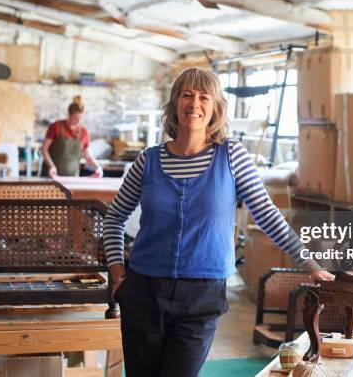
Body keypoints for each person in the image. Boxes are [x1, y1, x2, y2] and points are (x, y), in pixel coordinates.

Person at [104, 68, 334, 377]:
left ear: (215, 107)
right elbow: (114, 217)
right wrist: (117, 274)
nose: (194, 103)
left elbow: (267, 214)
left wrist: (310, 263)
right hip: (144, 290)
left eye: (203, 97)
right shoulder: (148, 160)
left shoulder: (232, 156)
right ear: (174, 104)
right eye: (186, 95)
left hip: (201, 296)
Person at [41, 95, 103, 178]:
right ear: (69, 115)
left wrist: (98, 167)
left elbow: (88, 156)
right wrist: (51, 166)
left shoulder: (84, 132)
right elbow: (44, 149)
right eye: (75, 118)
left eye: (80, 118)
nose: (78, 121)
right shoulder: (56, 127)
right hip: (52, 177)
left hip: (72, 178)